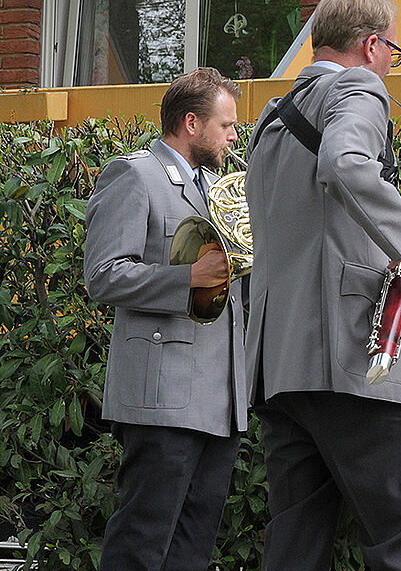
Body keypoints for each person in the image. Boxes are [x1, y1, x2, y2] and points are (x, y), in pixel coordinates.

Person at [244, 0, 401, 571]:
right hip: (356, 356)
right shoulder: (357, 86)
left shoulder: (270, 117)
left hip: (283, 366)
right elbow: (345, 164)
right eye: (395, 55)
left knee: (296, 547)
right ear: (373, 45)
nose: (391, 67)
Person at [84, 67, 247, 570]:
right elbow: (104, 277)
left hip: (220, 398)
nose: (234, 136)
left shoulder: (218, 188)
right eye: (227, 126)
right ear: (192, 123)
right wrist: (187, 279)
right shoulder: (135, 174)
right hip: (163, 395)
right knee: (142, 541)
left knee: (193, 547)